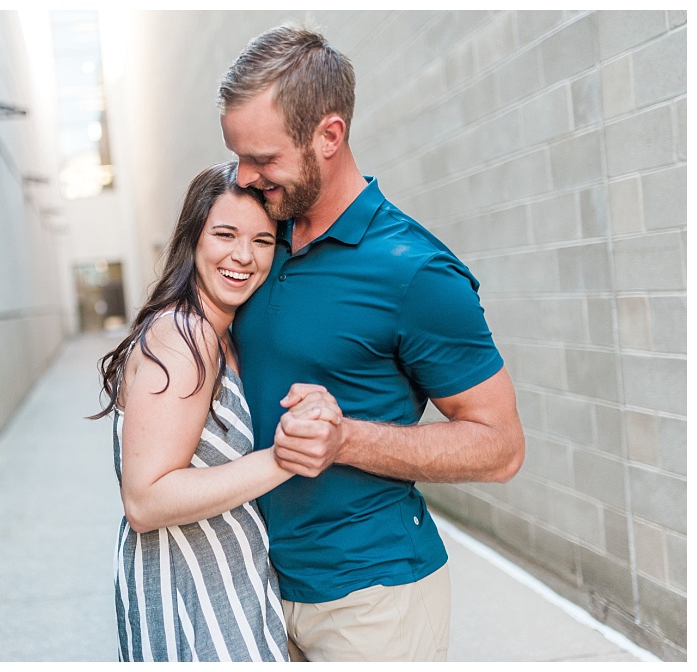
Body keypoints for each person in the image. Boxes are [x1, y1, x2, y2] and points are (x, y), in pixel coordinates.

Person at [217, 24, 526, 662]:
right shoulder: (257, 240)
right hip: (255, 588)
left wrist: (346, 438)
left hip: (374, 596)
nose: (244, 178)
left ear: (329, 136)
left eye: (264, 159)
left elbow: (501, 448)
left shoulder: (415, 271)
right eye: (238, 156)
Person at [91, 161, 332, 662]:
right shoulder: (185, 335)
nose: (243, 256)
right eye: (225, 234)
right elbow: (145, 499)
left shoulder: (224, 336)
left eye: (263, 241)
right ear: (193, 239)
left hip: (225, 584)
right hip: (195, 596)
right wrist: (284, 458)